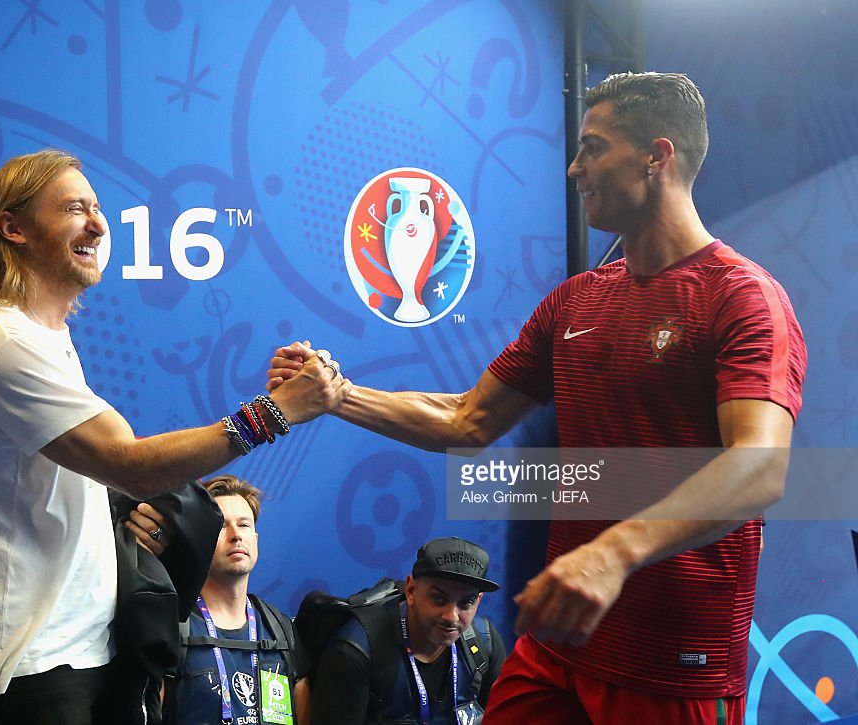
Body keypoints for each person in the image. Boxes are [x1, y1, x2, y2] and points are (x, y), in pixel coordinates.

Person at [268, 72, 807, 724]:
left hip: (670, 665)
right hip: (561, 648)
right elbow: (468, 419)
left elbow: (759, 465)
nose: (576, 167)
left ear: (656, 157)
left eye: (594, 147)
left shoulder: (742, 296)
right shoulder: (576, 300)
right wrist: (340, 395)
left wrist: (614, 549)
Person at [0, 149, 350, 724]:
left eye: (98, 209)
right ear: (13, 227)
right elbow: (131, 462)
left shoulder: (45, 337)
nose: (99, 225)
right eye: (75, 209)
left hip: (87, 647)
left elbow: (94, 473)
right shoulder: (5, 342)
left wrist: (123, 510)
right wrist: (272, 412)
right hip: (36, 667)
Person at [131, 475, 310, 725]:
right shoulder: (172, 626)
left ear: (255, 541)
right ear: (199, 540)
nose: (236, 535)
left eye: (244, 525)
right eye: (222, 526)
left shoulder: (282, 630)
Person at [307, 537, 505, 725]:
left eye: (465, 603)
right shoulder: (355, 651)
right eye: (439, 599)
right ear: (411, 591)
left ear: (478, 600)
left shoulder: (485, 643)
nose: (451, 616)